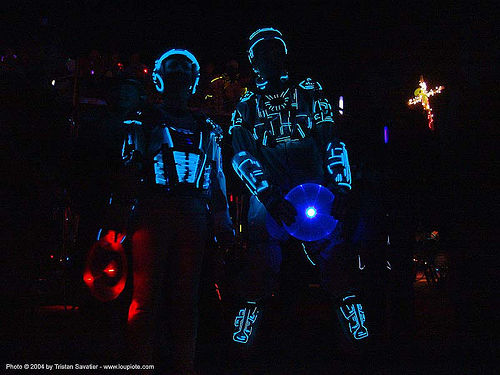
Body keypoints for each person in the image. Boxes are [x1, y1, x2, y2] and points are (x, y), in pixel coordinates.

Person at [229, 28, 369, 347]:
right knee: (260, 264)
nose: (271, 59)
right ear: (254, 61)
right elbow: (241, 155)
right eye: (263, 54)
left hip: (316, 193)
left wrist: (341, 187)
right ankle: (243, 336)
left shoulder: (310, 91)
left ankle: (358, 334)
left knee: (336, 261)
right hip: (269, 199)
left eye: (276, 52)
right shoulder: (245, 106)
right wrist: (268, 196)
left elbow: (331, 139)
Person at [97, 49, 233, 374]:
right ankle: (140, 363)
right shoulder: (144, 120)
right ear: (160, 78)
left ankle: (180, 365)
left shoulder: (207, 127)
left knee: (185, 299)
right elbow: (128, 168)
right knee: (146, 296)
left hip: (192, 214)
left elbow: (216, 177)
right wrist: (119, 216)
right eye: (173, 71)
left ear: (193, 81)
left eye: (184, 72)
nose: (178, 77)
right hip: (153, 211)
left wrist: (222, 220)